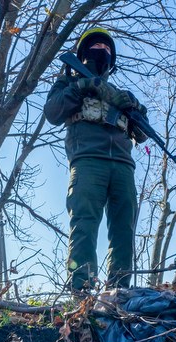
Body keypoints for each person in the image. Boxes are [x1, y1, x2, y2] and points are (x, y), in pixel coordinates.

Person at [44, 28, 148, 293]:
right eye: (95, 46)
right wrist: (82, 86)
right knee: (84, 225)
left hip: (124, 166)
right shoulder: (68, 85)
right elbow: (53, 112)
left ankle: (119, 293)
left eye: (106, 47)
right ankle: (82, 292)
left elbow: (143, 134)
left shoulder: (121, 95)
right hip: (88, 161)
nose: (101, 50)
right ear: (82, 54)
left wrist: (135, 108)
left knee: (124, 230)